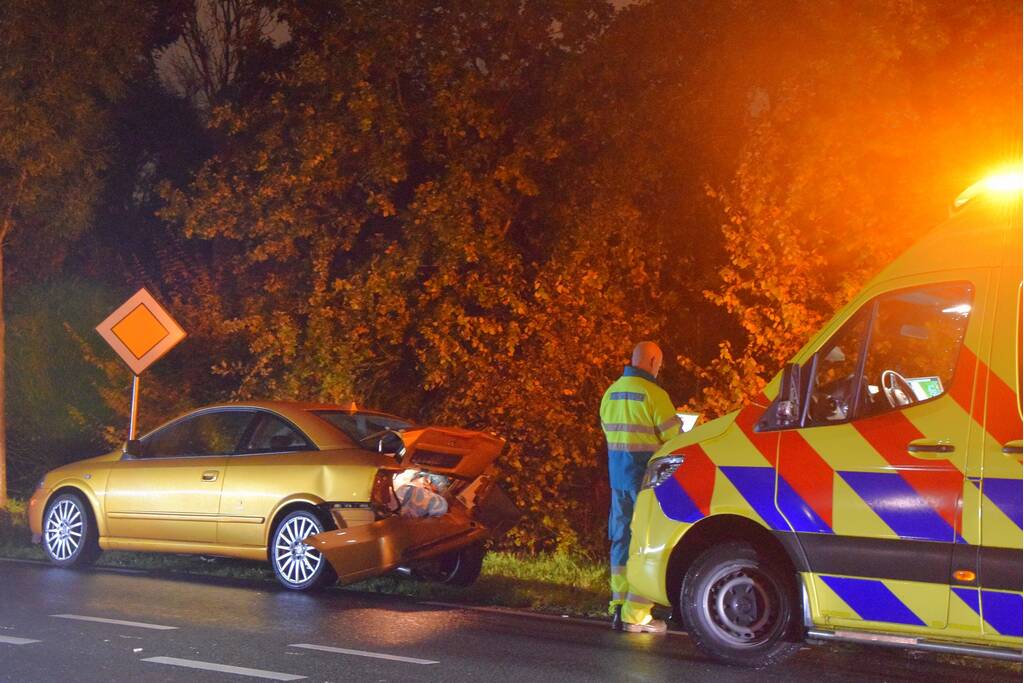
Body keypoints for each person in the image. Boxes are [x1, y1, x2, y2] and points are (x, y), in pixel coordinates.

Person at [600, 341, 681, 633]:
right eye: (658, 364)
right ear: (653, 361)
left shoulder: (611, 392)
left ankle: (618, 605)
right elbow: (675, 439)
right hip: (646, 480)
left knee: (621, 538)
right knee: (645, 541)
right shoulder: (654, 395)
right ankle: (637, 615)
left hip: (618, 478)